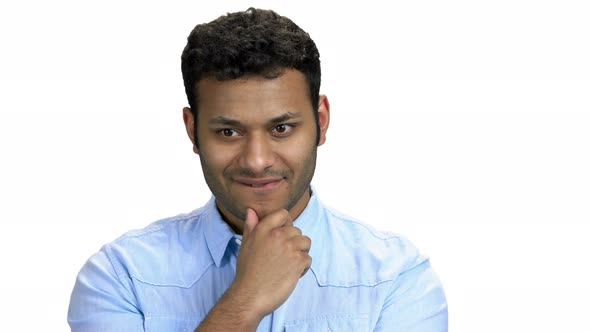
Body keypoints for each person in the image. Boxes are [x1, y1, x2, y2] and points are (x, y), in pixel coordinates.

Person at [68, 7, 448, 331]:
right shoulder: (121, 277)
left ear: (321, 121)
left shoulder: (397, 278)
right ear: (192, 130)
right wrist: (244, 301)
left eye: (281, 128)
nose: (257, 160)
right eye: (228, 131)